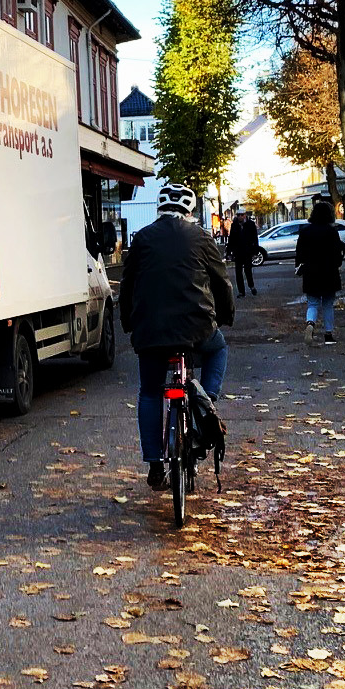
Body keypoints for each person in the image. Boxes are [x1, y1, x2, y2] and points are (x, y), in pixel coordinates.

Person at [119, 183, 234, 491]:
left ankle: (155, 464)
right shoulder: (202, 237)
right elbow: (221, 283)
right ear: (190, 210)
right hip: (197, 328)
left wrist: (129, 323)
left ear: (160, 208)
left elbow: (127, 286)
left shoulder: (142, 239)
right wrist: (224, 317)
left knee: (149, 393)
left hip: (151, 332)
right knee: (218, 349)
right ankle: (206, 402)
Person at [295, 199, 345, 345]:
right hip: (329, 273)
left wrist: (299, 267)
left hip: (311, 273)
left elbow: (299, 253)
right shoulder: (331, 232)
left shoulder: (305, 231)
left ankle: (310, 323)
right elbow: (337, 253)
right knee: (328, 304)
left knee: (312, 303)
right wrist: (337, 263)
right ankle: (328, 335)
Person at [226, 210, 260, 297]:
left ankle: (251, 286)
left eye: (241, 215)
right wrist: (229, 252)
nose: (240, 217)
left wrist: (255, 250)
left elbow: (255, 238)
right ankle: (241, 291)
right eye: (238, 215)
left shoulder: (250, 224)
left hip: (247, 251)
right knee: (238, 272)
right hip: (238, 252)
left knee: (248, 270)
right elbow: (231, 239)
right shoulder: (234, 225)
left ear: (245, 215)